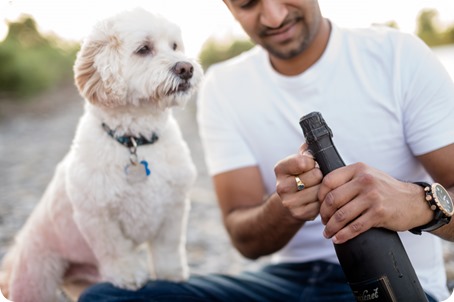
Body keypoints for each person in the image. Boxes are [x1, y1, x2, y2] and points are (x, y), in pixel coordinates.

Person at [79, 0, 454, 301]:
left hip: (400, 283)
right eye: (248, 3)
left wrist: (419, 203)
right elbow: (246, 241)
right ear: (227, 7)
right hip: (287, 283)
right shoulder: (224, 86)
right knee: (103, 298)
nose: (273, 15)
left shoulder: (397, 55)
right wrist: (282, 207)